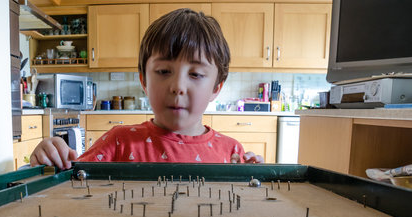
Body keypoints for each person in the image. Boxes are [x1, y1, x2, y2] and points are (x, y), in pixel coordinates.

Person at [30, 8, 264, 170]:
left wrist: (256, 180)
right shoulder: (118, 142)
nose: (178, 87)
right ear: (144, 80)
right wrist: (49, 160)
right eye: (163, 71)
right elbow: (72, 181)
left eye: (195, 74)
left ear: (216, 87)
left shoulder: (231, 152)